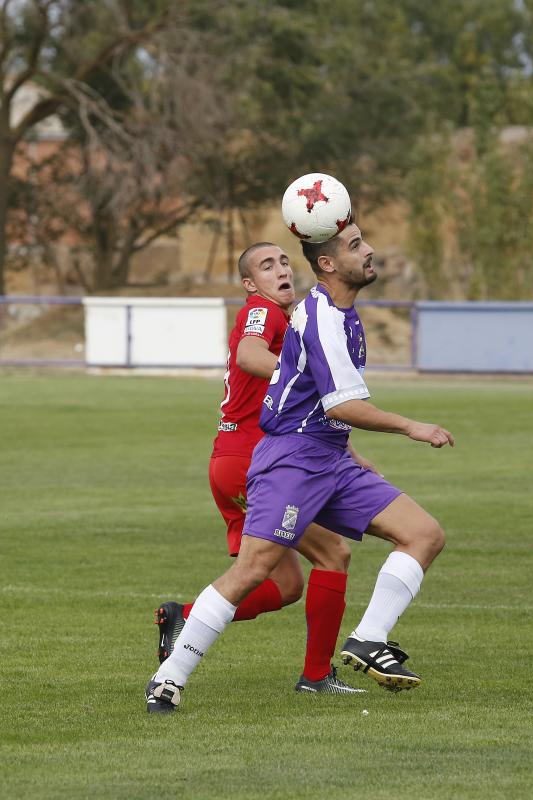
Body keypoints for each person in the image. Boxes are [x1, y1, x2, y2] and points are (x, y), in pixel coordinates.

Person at [146, 222, 454, 714]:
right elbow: (333, 400)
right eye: (357, 245)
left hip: (328, 456)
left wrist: (349, 451)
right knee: (256, 570)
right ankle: (169, 678)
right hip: (288, 460)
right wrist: (409, 425)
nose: (370, 250)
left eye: (283, 261)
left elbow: (321, 404)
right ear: (329, 264)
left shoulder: (334, 315)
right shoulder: (301, 316)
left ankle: (367, 639)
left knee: (423, 534)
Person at [154, 241, 367, 695]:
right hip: (254, 459)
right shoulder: (262, 310)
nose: (281, 270)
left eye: (284, 261)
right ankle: (315, 678)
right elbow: (250, 355)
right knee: (334, 554)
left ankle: (185, 616)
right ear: (251, 284)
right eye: (266, 266)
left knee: (287, 585)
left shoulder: (289, 318)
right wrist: (301, 377)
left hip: (234, 461)